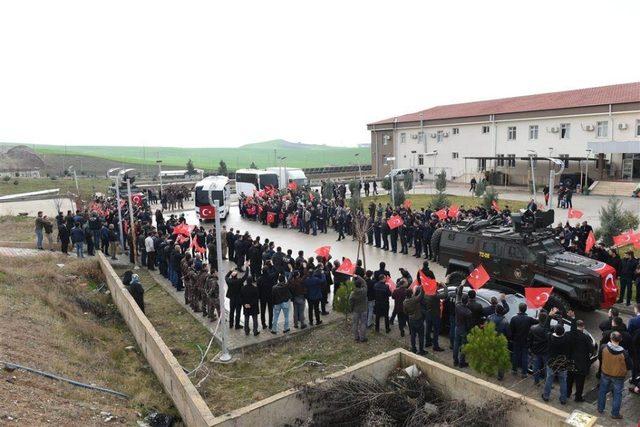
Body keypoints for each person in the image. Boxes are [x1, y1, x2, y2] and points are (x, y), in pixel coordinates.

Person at [597, 331, 632, 419]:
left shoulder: (603, 347)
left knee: (602, 391)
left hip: (605, 373)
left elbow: (600, 358)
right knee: (617, 394)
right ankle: (615, 414)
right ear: (620, 339)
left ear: (610, 338)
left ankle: (600, 408)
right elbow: (629, 366)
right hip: (618, 376)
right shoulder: (624, 352)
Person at [542, 324, 570, 405]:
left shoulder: (550, 338)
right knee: (563, 381)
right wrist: (573, 319)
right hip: (562, 363)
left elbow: (545, 329)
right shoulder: (566, 339)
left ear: (555, 331)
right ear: (563, 332)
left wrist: (550, 316)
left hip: (551, 362)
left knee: (549, 379)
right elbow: (573, 331)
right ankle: (563, 399)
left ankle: (546, 396)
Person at [509, 302, 538, 378]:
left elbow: (511, 331)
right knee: (524, 357)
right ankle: (524, 373)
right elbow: (538, 321)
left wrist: (511, 339)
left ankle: (514, 370)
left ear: (519, 309)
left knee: (515, 355)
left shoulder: (514, 318)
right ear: (525, 309)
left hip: (516, 340)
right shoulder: (529, 319)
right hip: (525, 341)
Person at [567, 319, 593, 402]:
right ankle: (578, 397)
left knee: (569, 379)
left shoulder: (569, 335)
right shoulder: (586, 337)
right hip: (582, 363)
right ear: (583, 327)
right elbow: (591, 350)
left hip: (571, 360)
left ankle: (567, 393)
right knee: (580, 381)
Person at [528, 310, 552, 385]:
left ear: (539, 318)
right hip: (545, 352)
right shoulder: (548, 329)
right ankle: (547, 382)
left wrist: (531, 349)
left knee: (536, 367)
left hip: (536, 351)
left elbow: (530, 340)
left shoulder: (533, 328)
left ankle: (536, 381)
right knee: (546, 368)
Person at [404, 287, 426, 355]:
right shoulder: (414, 300)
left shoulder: (404, 302)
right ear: (411, 294)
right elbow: (421, 294)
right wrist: (423, 287)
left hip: (411, 319)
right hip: (418, 319)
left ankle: (413, 349)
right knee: (421, 335)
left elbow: (405, 312)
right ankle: (421, 350)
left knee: (413, 335)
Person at [226, 265, 248, 330]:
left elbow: (226, 276)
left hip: (232, 299)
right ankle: (237, 325)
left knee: (232, 312)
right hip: (238, 299)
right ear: (236, 276)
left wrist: (231, 271)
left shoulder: (229, 281)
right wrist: (247, 267)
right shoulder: (239, 281)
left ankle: (231, 324)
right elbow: (246, 276)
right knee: (238, 312)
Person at [349, 276, 368, 342]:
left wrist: (351, 309)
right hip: (363, 309)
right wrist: (357, 276)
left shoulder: (353, 293)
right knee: (363, 323)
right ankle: (362, 338)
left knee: (355, 324)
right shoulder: (364, 291)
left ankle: (356, 337)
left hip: (356, 310)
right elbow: (364, 282)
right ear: (361, 285)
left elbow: (351, 302)